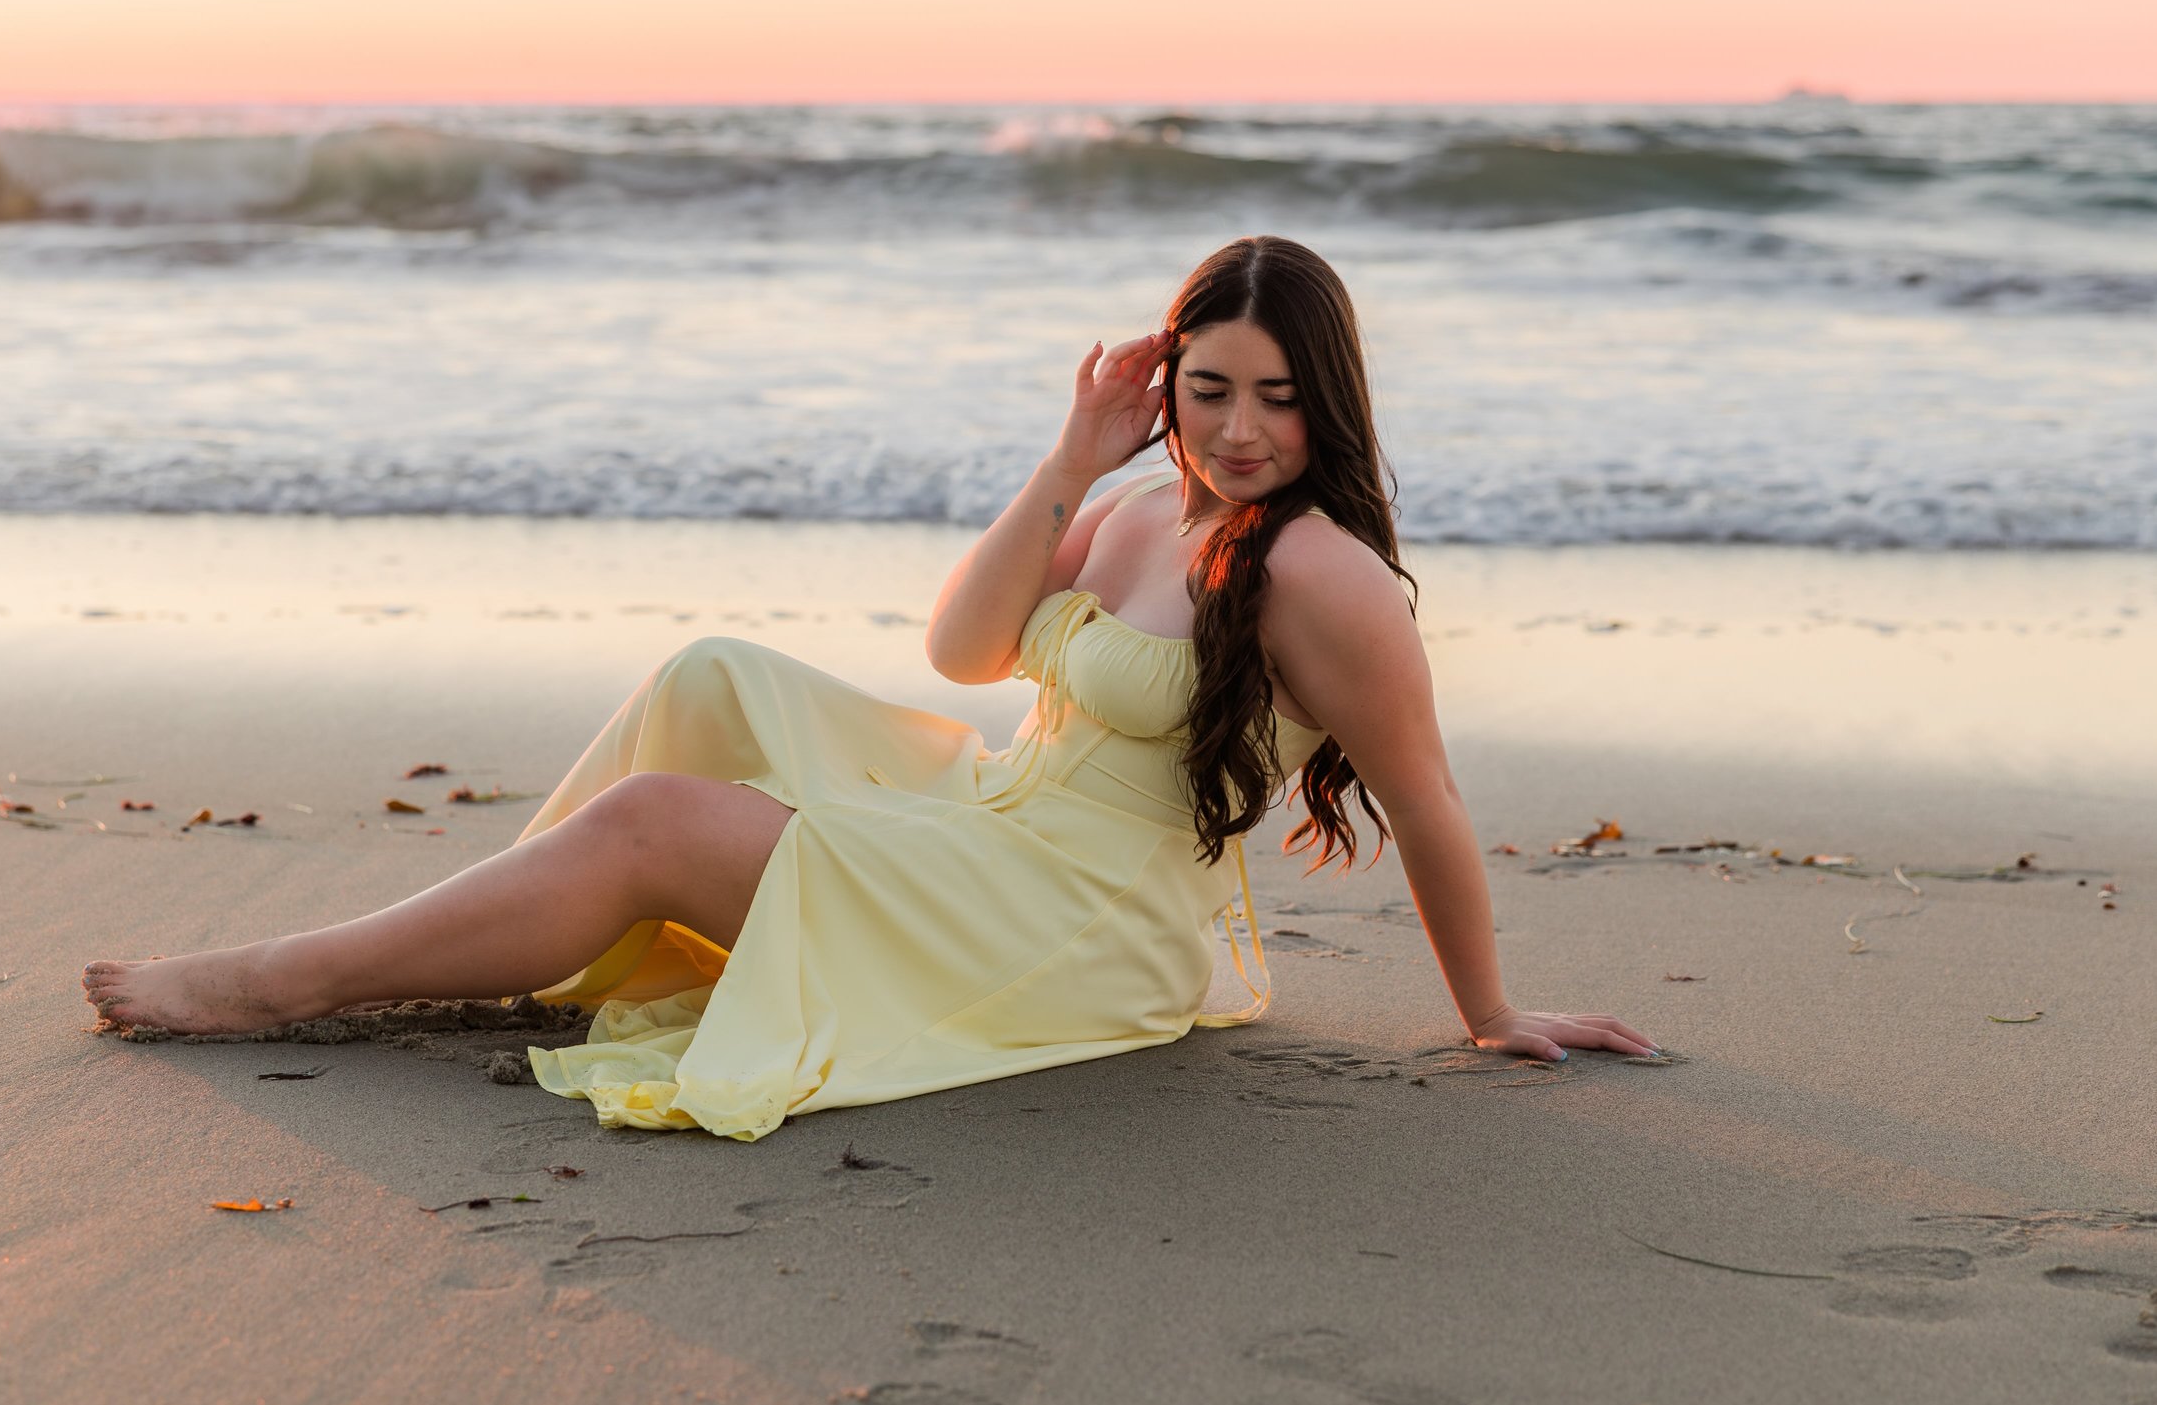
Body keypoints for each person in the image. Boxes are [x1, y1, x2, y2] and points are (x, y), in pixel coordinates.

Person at [82, 235, 1656, 1139]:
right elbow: (964, 651)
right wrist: (1069, 457)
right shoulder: (1134, 507)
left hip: (1080, 924)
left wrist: (1489, 1012)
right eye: (1208, 390)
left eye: (1279, 399)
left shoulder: (1324, 575)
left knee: (654, 822)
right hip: (997, 825)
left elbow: (1425, 800)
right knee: (711, 673)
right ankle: (527, 936)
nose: (1240, 431)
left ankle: (284, 981)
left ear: (1332, 403)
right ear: (1165, 385)